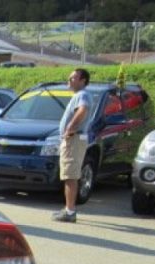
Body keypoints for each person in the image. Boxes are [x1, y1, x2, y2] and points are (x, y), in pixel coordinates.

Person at [52, 68, 92, 223]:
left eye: (73, 78)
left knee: (70, 176)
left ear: (83, 81)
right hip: (73, 139)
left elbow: (82, 110)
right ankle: (68, 209)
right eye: (69, 78)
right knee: (69, 175)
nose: (69, 80)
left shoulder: (82, 95)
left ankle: (70, 212)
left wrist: (70, 128)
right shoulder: (79, 95)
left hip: (74, 139)